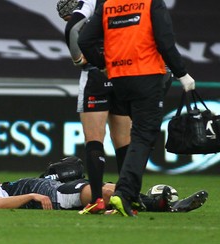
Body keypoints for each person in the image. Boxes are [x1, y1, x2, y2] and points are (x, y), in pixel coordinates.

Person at [77, 0, 195, 216]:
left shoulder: (108, 4)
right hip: (146, 76)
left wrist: (103, 64)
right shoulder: (151, 2)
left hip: (119, 78)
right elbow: (165, 42)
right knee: (143, 135)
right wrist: (181, 73)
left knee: (132, 135)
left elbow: (84, 39)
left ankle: (129, 194)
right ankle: (125, 193)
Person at [57, 0, 132, 214]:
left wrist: (77, 58)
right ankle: (127, 198)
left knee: (94, 139)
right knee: (124, 143)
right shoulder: (125, 5)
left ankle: (97, 199)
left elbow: (72, 29)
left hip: (95, 75)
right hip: (122, 74)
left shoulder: (89, 3)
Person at [0, 177, 208, 213]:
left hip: (63, 187)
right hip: (60, 196)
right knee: (104, 190)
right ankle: (162, 205)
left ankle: (155, 203)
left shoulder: (9, 184)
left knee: (110, 186)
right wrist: (32, 195)